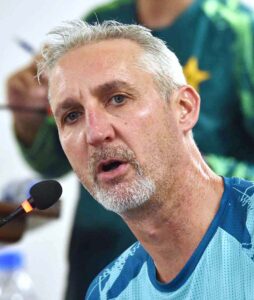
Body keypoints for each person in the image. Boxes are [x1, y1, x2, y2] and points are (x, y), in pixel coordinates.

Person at [7, 0, 254, 298]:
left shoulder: (235, 30)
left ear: (185, 108)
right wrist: (28, 117)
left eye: (119, 99)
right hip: (101, 257)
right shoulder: (106, 289)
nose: (95, 133)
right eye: (72, 115)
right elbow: (52, 158)